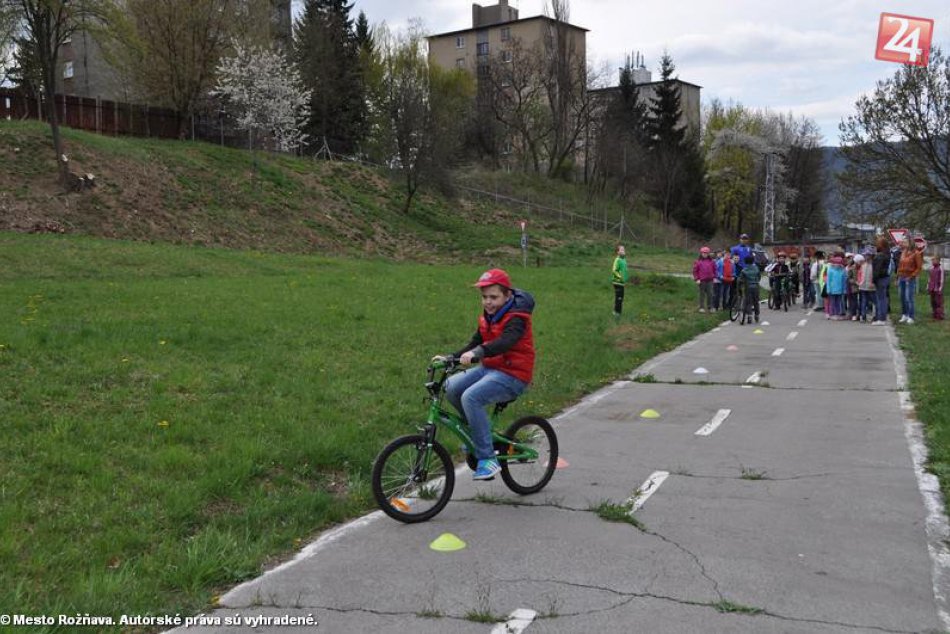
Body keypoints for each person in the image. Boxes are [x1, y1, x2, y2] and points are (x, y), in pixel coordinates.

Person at [441, 269, 536, 480]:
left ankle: (487, 458)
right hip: (491, 368)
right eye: (484, 297)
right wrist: (451, 358)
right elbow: (476, 341)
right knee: (451, 387)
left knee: (471, 397)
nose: (488, 302)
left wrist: (478, 353)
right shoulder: (488, 317)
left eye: (494, 297)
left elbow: (505, 342)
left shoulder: (517, 318)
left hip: (514, 374)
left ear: (508, 296)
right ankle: (477, 436)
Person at [897, 238, 924, 324]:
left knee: (909, 297)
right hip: (902, 276)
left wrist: (912, 275)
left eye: (905, 242)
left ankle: (911, 316)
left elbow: (919, 267)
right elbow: (900, 265)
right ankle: (904, 314)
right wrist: (897, 277)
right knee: (902, 297)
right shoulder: (903, 252)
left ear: (910, 243)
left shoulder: (916, 253)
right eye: (903, 242)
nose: (903, 243)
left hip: (910, 277)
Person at [871, 237, 892, 325]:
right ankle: (880, 317)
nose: (876, 244)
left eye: (878, 243)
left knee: (880, 299)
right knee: (882, 298)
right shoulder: (887, 254)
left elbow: (877, 269)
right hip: (884, 277)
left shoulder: (880, 255)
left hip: (880, 278)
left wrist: (874, 279)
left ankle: (881, 318)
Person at [693, 246, 716, 312]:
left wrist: (714, 277)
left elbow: (715, 270)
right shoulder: (698, 261)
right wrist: (697, 279)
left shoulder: (712, 261)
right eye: (703, 253)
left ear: (708, 253)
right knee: (702, 294)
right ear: (701, 253)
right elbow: (695, 271)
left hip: (710, 280)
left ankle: (710, 307)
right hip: (701, 280)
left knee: (710, 294)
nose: (705, 254)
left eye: (706, 253)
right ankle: (701, 307)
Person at [739, 255, 761, 323]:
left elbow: (741, 279)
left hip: (748, 287)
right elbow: (759, 277)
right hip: (756, 287)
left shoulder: (744, 270)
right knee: (756, 302)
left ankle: (750, 316)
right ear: (753, 261)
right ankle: (757, 315)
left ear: (745, 262)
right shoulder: (756, 269)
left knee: (748, 302)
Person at [826, 251, 847, 320]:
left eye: (838, 263)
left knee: (838, 302)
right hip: (832, 290)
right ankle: (832, 314)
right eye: (836, 263)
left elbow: (844, 281)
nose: (837, 265)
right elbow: (828, 281)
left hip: (840, 290)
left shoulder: (843, 271)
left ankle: (837, 314)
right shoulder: (830, 270)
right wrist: (828, 289)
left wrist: (844, 289)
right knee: (832, 302)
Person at [855, 251, 875, 322]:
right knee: (863, 301)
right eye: (866, 255)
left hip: (871, 287)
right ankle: (863, 316)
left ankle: (873, 315)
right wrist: (859, 282)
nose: (867, 257)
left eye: (868, 255)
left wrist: (873, 282)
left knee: (873, 301)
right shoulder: (863, 265)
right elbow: (859, 274)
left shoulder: (873, 265)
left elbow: (874, 275)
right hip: (863, 286)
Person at [612, 245, 628, 317]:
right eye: (621, 250)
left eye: (624, 250)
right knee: (618, 298)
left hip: (622, 283)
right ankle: (616, 313)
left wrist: (625, 279)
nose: (623, 251)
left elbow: (625, 270)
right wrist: (620, 277)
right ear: (617, 252)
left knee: (621, 298)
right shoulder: (617, 260)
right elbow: (614, 270)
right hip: (617, 282)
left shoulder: (624, 260)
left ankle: (619, 312)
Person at [929, 255, 945, 321]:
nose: (932, 261)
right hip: (932, 287)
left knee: (938, 302)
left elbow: (942, 279)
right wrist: (928, 286)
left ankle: (940, 315)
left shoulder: (940, 269)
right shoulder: (932, 268)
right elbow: (930, 278)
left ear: (938, 261)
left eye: (934, 260)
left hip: (937, 288)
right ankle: (934, 313)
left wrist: (940, 288)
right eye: (932, 260)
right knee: (932, 301)